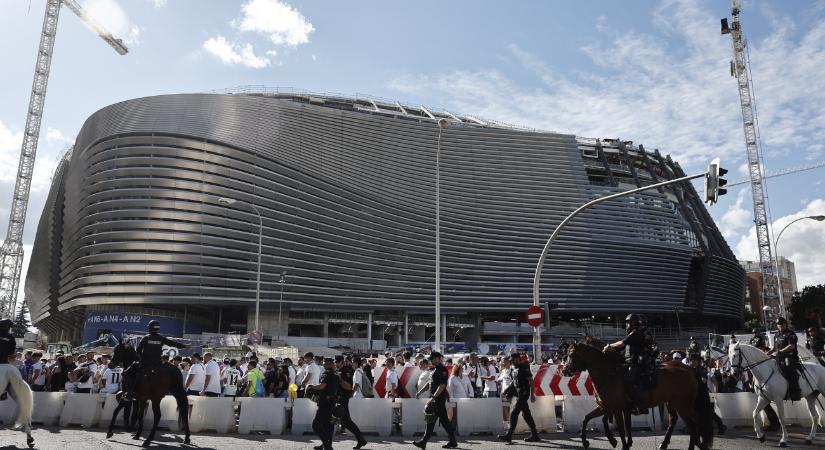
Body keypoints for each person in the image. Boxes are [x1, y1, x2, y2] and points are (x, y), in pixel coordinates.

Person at [603, 313, 655, 414]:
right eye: (627, 323)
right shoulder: (633, 334)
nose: (628, 325)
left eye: (630, 323)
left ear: (635, 323)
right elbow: (623, 348)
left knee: (629, 380)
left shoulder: (637, 333)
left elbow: (622, 343)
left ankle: (641, 406)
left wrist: (609, 346)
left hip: (639, 362)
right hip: (630, 361)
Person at [132, 320, 190, 398]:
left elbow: (138, 351)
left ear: (150, 328)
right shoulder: (161, 338)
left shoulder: (146, 338)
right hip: (158, 363)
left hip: (145, 363)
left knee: (131, 371)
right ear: (157, 329)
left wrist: (142, 358)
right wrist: (185, 346)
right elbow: (173, 343)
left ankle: (129, 393)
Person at [413, 352, 457, 449]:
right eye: (431, 359)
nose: (431, 361)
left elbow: (442, 385)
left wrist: (433, 398)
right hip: (435, 399)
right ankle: (452, 441)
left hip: (438, 400)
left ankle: (424, 441)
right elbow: (429, 383)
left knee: (431, 420)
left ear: (437, 358)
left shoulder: (442, 370)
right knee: (442, 421)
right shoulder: (433, 369)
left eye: (433, 358)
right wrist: (420, 392)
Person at [498, 353, 541, 443]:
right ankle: (535, 435)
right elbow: (514, 383)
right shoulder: (514, 368)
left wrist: (532, 395)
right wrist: (507, 390)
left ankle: (509, 435)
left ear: (518, 359)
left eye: (513, 360)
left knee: (514, 413)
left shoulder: (524, 367)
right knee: (526, 415)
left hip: (524, 393)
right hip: (519, 394)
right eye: (511, 360)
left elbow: (531, 382)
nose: (511, 362)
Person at [335, 355, 367, 449]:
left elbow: (349, 387)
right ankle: (361, 439)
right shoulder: (337, 371)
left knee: (345, 421)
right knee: (343, 421)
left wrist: (340, 380)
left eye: (337, 362)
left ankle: (361, 439)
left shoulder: (347, 371)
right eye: (335, 362)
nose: (336, 363)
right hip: (337, 399)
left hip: (342, 399)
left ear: (342, 362)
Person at [308, 358, 339, 450]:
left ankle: (327, 446)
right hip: (332, 402)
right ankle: (326, 445)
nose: (323, 365)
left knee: (316, 425)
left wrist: (310, 386)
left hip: (325, 403)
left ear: (329, 364)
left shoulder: (327, 373)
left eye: (325, 363)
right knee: (328, 426)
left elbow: (321, 386)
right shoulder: (336, 374)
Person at [770, 317, 801, 401]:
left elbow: (792, 346)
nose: (780, 325)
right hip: (779, 357)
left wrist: (780, 351)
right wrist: (769, 352)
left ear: (785, 324)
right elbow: (775, 348)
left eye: (782, 324)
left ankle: (796, 392)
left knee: (789, 367)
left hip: (789, 356)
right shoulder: (776, 335)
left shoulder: (791, 334)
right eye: (778, 324)